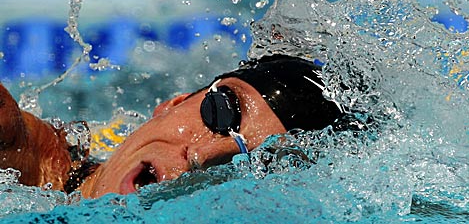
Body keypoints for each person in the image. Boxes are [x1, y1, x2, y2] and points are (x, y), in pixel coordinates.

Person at [0, 55, 366, 198]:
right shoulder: (23, 160)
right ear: (173, 104)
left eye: (262, 163)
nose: (205, 155)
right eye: (223, 112)